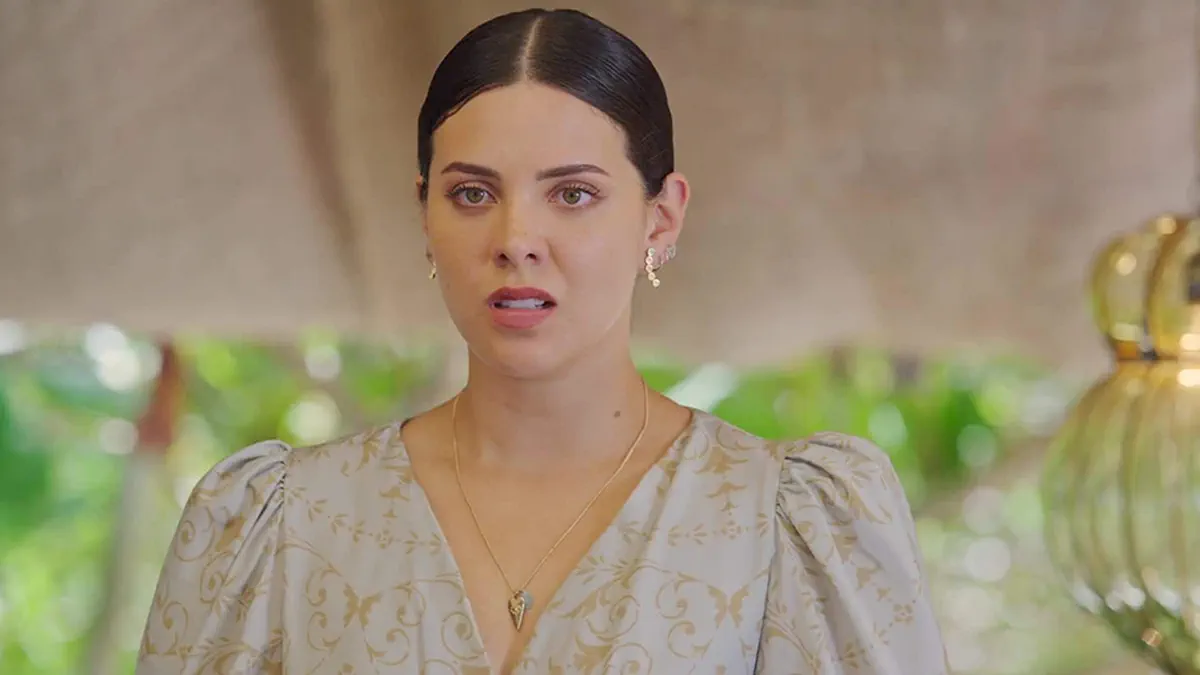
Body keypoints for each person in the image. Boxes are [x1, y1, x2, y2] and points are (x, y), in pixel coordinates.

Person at [136, 8, 947, 674]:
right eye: (472, 193)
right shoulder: (281, 523)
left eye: (573, 194)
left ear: (661, 218)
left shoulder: (785, 523)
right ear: (425, 214)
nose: (516, 239)